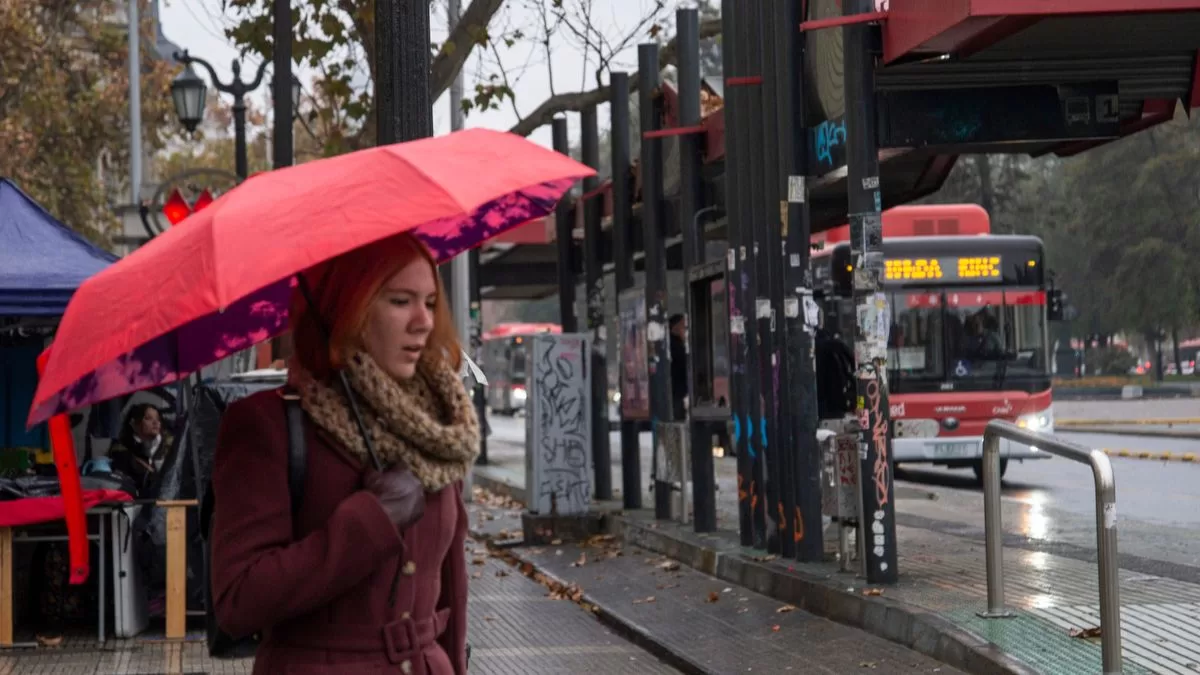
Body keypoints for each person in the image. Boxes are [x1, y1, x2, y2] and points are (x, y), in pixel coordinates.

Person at [208, 232, 479, 674]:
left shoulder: (435, 427)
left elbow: (451, 588)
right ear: (346, 310)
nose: (424, 322)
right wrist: (370, 519)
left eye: (430, 303)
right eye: (400, 301)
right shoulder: (267, 424)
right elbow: (239, 600)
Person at [108, 403, 171, 497]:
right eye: (148, 418)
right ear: (134, 424)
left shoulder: (167, 447)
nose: (155, 422)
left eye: (158, 419)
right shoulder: (122, 452)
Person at [669, 314, 688, 420]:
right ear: (675, 328)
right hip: (677, 391)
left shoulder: (677, 344)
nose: (686, 331)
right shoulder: (675, 346)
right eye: (684, 327)